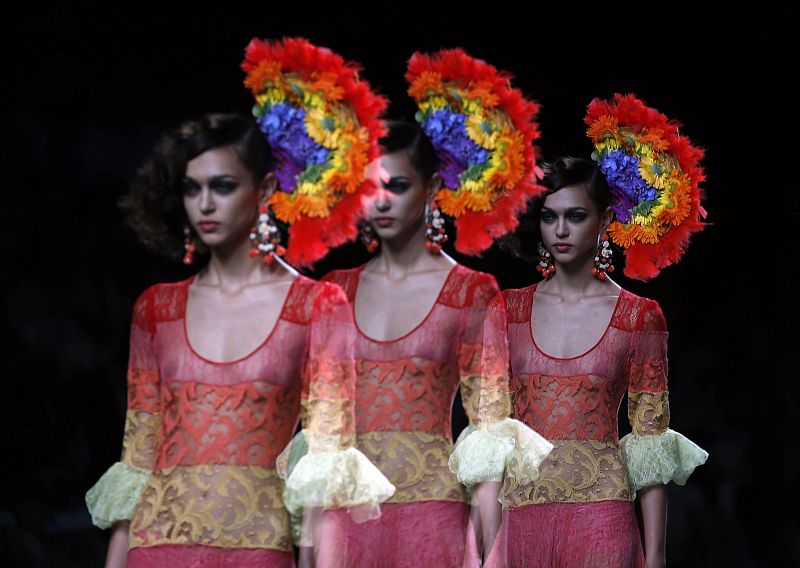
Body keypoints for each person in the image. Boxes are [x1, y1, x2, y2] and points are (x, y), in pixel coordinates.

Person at [488, 151, 709, 566]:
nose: (560, 230)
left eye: (575, 216)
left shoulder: (639, 317)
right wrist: (486, 550)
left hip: (602, 521)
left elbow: (650, 440)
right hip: (521, 524)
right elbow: (491, 438)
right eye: (549, 217)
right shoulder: (506, 311)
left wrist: (656, 557)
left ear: (605, 219)